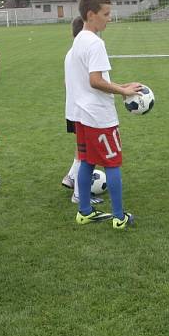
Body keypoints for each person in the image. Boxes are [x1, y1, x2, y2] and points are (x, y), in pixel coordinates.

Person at [65, 0, 142, 229]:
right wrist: (124, 90)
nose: (110, 18)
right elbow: (95, 80)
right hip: (99, 116)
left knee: (87, 161)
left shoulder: (79, 40)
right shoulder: (95, 42)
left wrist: (120, 86)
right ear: (91, 15)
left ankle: (84, 211)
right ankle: (119, 217)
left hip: (81, 114)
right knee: (112, 164)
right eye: (106, 14)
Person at [62, 16, 104, 205]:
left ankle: (71, 178)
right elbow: (94, 83)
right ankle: (79, 194)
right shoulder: (81, 53)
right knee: (85, 154)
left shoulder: (71, 53)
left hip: (74, 109)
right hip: (82, 111)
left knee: (82, 152)